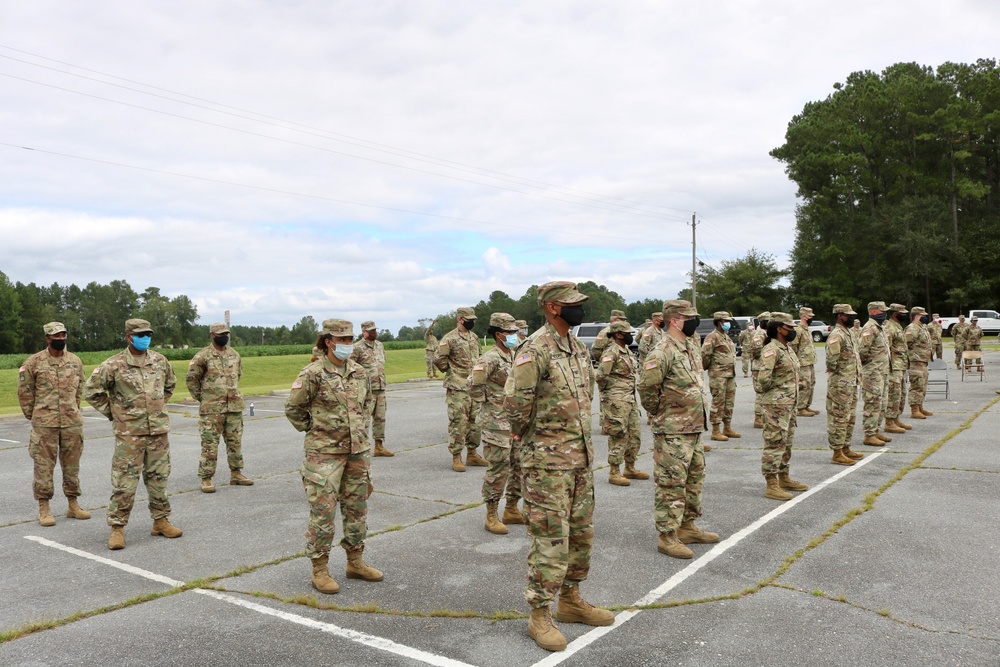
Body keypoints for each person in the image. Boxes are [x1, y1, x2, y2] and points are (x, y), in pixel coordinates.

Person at [505, 281, 613, 652]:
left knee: (581, 536)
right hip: (547, 463)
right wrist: (527, 439)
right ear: (552, 307)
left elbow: (586, 396)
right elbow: (516, 402)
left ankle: (570, 601)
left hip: (580, 459)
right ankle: (539, 614)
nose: (579, 308)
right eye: (572, 304)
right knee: (551, 540)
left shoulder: (577, 348)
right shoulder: (535, 348)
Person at [284, 319, 383, 595]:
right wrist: (318, 430)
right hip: (324, 455)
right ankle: (320, 568)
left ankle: (355, 561)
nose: (348, 345)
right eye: (343, 340)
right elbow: (294, 409)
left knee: (357, 509)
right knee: (323, 513)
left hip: (357, 451)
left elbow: (367, 404)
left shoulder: (359, 372)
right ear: (328, 341)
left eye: (351, 339)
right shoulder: (313, 373)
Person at [85, 318, 181, 550]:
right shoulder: (113, 364)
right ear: (129, 337)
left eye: (148, 333)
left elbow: (169, 385)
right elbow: (92, 391)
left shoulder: (159, 360)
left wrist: (156, 408)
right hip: (130, 435)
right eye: (140, 334)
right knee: (125, 482)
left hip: (158, 432)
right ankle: (117, 528)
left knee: (159, 478)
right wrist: (116, 413)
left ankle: (160, 520)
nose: (145, 337)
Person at [638, 299, 719, 560]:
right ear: (675, 320)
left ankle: (687, 527)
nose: (695, 322)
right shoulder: (662, 350)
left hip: (694, 427)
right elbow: (647, 388)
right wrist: (661, 413)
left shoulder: (689, 346)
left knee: (694, 480)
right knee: (671, 484)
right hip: (672, 430)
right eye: (690, 318)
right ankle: (667, 536)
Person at [18, 321, 89, 526]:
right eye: (56, 336)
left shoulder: (75, 361)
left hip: (71, 423)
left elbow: (79, 389)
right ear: (47, 338)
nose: (60, 339)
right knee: (43, 467)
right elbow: (25, 393)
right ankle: (44, 507)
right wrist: (36, 416)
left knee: (72, 466)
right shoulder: (34, 363)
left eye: (63, 335)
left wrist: (72, 409)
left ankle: (73, 504)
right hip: (44, 424)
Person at [187, 322, 254, 493]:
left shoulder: (234, 355)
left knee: (235, 442)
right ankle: (206, 478)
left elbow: (238, 374)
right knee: (209, 444)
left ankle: (236, 474)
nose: (224, 336)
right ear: (212, 335)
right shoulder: (202, 356)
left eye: (226, 333)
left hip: (234, 407)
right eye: (220, 334)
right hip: (212, 409)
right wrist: (204, 399)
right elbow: (192, 380)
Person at [470, 312, 522, 534]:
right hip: (496, 424)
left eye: (515, 332)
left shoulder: (516, 355)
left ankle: (511, 508)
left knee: (519, 466)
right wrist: (492, 405)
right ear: (499, 334)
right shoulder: (489, 359)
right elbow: (473, 386)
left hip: (517, 422)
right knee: (498, 469)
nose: (515, 336)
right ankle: (491, 514)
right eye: (511, 332)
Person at [757, 312, 807, 500]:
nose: (793, 331)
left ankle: (784, 477)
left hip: (789, 404)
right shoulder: (772, 349)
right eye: (789, 328)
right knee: (775, 443)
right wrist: (778, 392)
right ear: (779, 328)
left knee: (786, 443)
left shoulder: (787, 348)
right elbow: (763, 379)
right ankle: (771, 484)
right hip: (776, 405)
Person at [597, 320, 649, 486]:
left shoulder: (625, 350)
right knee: (618, 435)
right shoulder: (611, 352)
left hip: (630, 399)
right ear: (618, 334)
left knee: (634, 435)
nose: (631, 336)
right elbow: (600, 377)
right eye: (628, 334)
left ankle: (630, 467)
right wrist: (611, 395)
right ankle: (614, 471)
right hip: (617, 401)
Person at [434, 307, 487, 472]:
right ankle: (456, 456)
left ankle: (472, 454)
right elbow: (439, 359)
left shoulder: (475, 337)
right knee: (459, 423)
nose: (471, 322)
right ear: (460, 319)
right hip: (457, 387)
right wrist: (452, 372)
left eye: (473, 319)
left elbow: (480, 357)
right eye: (468, 319)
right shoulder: (449, 338)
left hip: (474, 387)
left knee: (476, 423)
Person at [825, 305, 864, 466]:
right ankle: (837, 452)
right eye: (849, 315)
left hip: (851, 382)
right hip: (840, 384)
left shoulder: (847, 333)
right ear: (840, 316)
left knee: (850, 417)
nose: (852, 318)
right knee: (839, 418)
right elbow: (832, 361)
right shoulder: (837, 334)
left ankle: (846, 447)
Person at [352, 321, 393, 457]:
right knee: (364, 420)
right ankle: (361, 448)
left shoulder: (380, 345)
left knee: (380, 418)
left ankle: (379, 446)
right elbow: (351, 368)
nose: (374, 332)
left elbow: (382, 362)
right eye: (371, 331)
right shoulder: (357, 348)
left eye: (375, 330)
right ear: (364, 332)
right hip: (365, 390)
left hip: (380, 387)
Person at [701, 311, 740, 443]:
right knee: (718, 402)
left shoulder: (726, 337)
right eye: (725, 321)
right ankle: (716, 430)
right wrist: (710, 368)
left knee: (729, 402)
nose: (728, 324)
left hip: (730, 374)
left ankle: (727, 427)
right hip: (718, 376)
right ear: (719, 322)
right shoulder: (712, 337)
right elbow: (705, 356)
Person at [857, 302, 892, 447]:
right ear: (874, 312)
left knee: (881, 404)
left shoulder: (879, 327)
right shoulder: (869, 328)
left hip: (882, 372)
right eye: (883, 310)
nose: (885, 313)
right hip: (873, 373)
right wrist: (870, 367)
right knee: (872, 404)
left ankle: (876, 430)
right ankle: (869, 434)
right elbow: (862, 351)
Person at [884, 304, 913, 434]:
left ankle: (895, 418)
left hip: (900, 365)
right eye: (902, 313)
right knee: (893, 394)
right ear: (895, 313)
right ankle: (889, 422)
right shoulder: (889, 327)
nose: (905, 315)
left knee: (900, 394)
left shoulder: (897, 326)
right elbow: (886, 348)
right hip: (894, 366)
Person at [789, 307, 819, 417]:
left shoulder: (806, 329)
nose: (811, 318)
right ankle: (800, 408)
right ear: (804, 316)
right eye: (810, 316)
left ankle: (806, 405)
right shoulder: (798, 330)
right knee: (804, 385)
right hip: (802, 363)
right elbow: (793, 347)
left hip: (809, 362)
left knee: (811, 384)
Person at [905, 307, 935, 419]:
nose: (925, 317)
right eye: (923, 315)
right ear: (917, 316)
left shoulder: (922, 327)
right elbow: (906, 344)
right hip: (915, 361)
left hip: (923, 361)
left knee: (923, 385)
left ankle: (920, 406)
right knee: (916, 385)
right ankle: (914, 410)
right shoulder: (912, 328)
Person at [749, 312, 771, 429]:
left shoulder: (767, 333)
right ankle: (758, 418)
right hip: (759, 367)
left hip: (765, 366)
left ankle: (764, 416)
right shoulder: (759, 334)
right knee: (760, 393)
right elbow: (757, 351)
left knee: (766, 392)